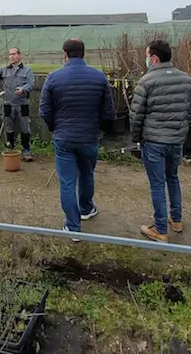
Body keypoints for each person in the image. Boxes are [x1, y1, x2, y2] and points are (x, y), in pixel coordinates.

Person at [39, 39, 115, 241]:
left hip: (64, 137)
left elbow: (44, 110)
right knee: (87, 175)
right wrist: (98, 130)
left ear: (65, 54)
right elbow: (108, 113)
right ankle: (86, 208)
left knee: (67, 182)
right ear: (83, 53)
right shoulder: (99, 77)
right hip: (89, 137)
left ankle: (73, 228)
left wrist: (55, 127)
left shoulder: (54, 77)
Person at [130, 39, 191, 243]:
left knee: (157, 184)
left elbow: (137, 115)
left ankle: (160, 230)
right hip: (176, 140)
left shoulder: (147, 81)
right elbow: (190, 112)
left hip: (154, 140)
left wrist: (135, 139)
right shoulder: (186, 80)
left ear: (154, 58)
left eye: (147, 55)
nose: (146, 59)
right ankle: (176, 220)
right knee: (173, 178)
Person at [0, 47, 36, 161]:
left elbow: (31, 84)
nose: (11, 56)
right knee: (9, 128)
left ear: (19, 55)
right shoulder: (4, 70)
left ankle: (26, 151)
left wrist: (23, 89)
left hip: (22, 104)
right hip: (8, 104)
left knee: (25, 128)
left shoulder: (27, 71)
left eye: (14, 54)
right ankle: (11, 148)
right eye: (10, 54)